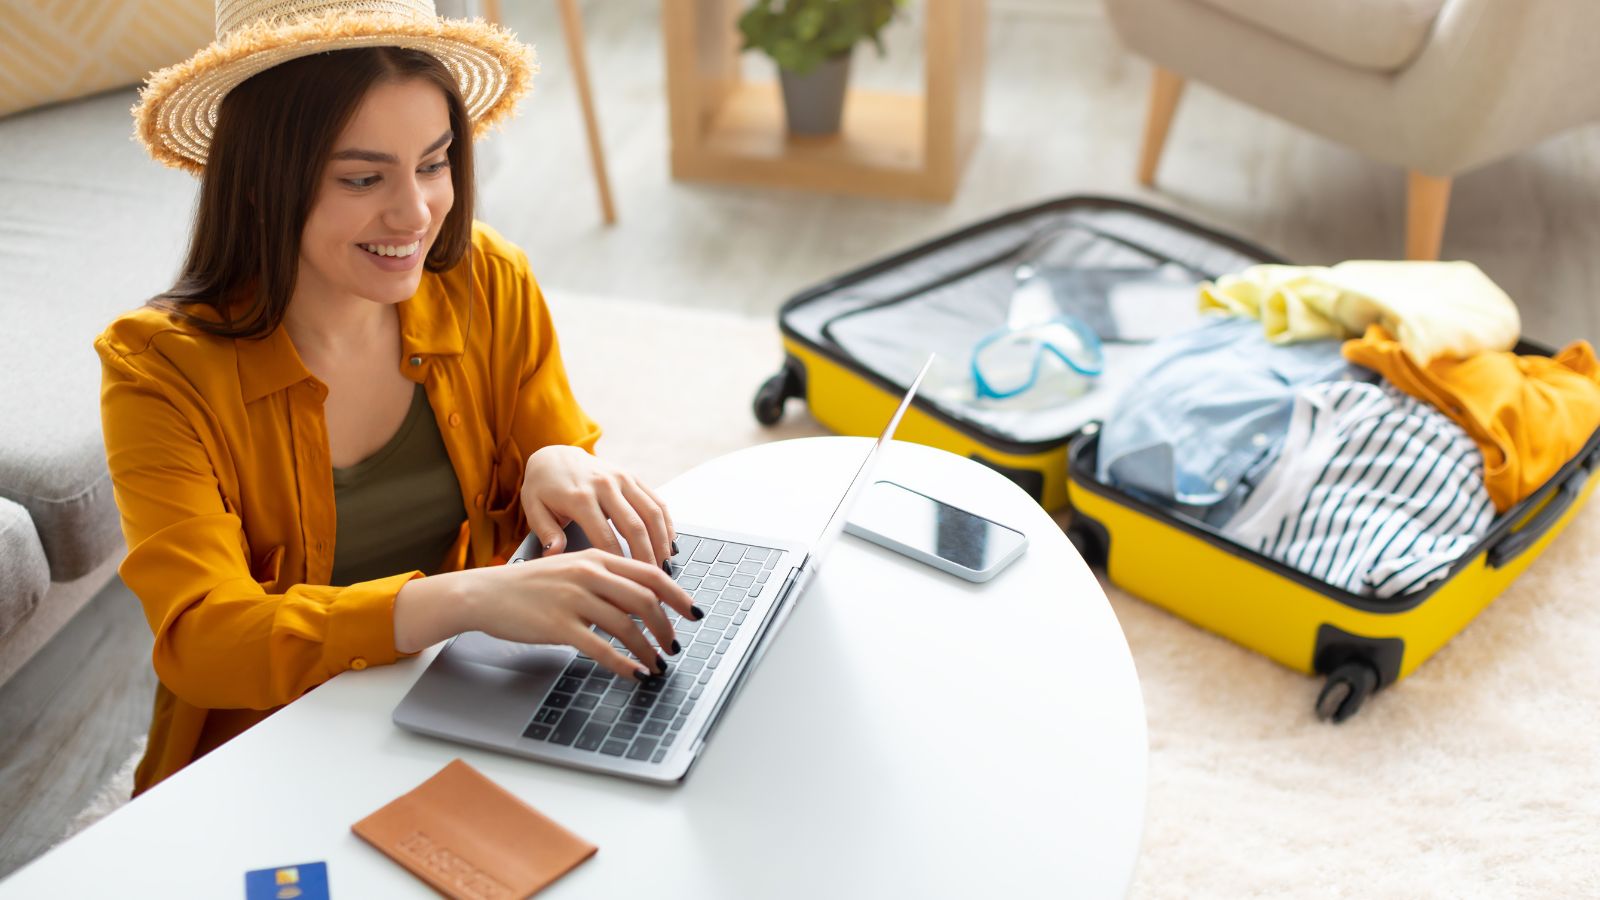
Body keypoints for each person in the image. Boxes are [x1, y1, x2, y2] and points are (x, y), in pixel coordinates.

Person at [97, 0, 694, 796]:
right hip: (269, 755)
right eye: (364, 177)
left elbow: (553, 496)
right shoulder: (157, 371)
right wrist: (458, 601)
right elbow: (205, 641)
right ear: (258, 185)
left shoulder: (488, 280)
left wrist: (556, 462)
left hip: (468, 714)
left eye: (435, 163)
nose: (415, 213)